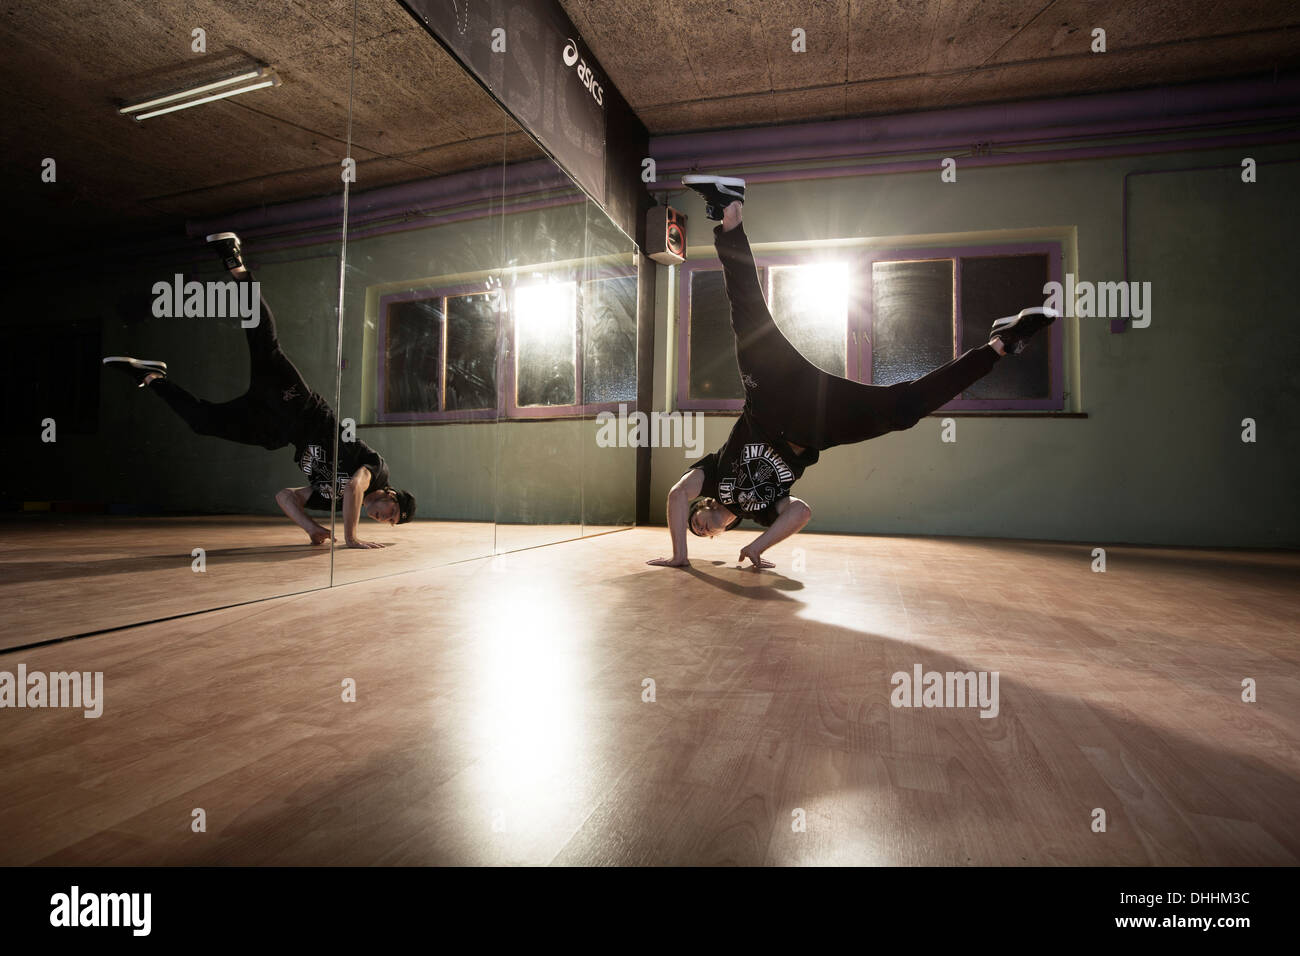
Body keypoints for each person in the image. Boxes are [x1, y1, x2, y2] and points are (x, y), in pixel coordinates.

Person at [649, 175, 1057, 570]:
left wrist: (682, 554)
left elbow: (676, 496)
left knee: (749, 318)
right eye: (701, 534)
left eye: (697, 520)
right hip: (817, 423)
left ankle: (729, 211)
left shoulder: (712, 476)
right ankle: (1001, 345)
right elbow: (800, 513)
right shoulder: (762, 514)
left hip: (770, 400)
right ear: (725, 531)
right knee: (903, 410)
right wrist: (758, 546)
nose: (700, 524)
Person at [104, 232, 415, 549]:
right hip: (300, 409)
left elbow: (285, 497)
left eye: (390, 523)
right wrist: (350, 537)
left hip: (276, 430)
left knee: (203, 422)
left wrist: (310, 528)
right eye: (393, 514)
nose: (386, 520)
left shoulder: (331, 500)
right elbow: (353, 487)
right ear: (391, 496)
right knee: (264, 347)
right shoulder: (376, 472)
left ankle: (154, 377)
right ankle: (236, 265)